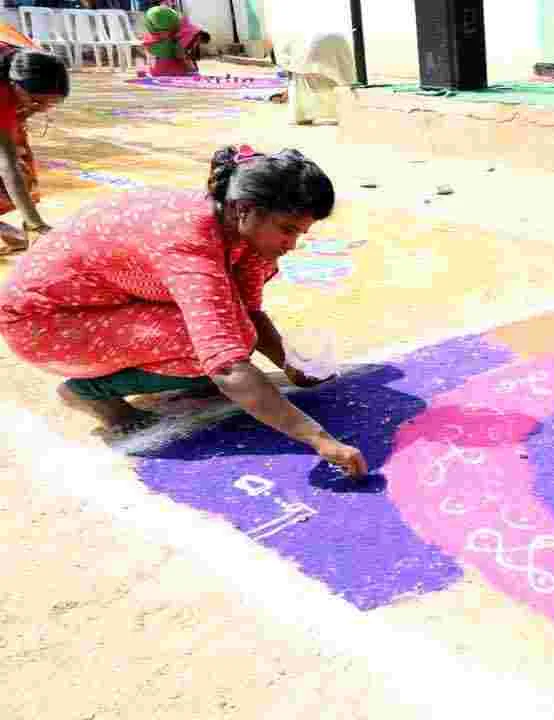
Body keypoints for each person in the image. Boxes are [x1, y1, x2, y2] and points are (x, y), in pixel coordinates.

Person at [0, 146, 369, 477]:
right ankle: (92, 391)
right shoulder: (188, 240)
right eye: (286, 230)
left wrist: (290, 363)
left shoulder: (242, 231)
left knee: (233, 329)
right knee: (221, 344)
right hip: (42, 322)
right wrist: (319, 439)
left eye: (300, 233)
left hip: (107, 304)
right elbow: (226, 362)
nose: (291, 244)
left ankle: (173, 374)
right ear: (245, 209)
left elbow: (250, 309)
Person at [0, 31, 68, 257]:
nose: (42, 109)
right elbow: (6, 165)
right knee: (11, 163)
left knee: (22, 159)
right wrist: (37, 226)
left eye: (51, 104)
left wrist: (27, 110)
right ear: (14, 85)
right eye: (37, 102)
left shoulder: (32, 62)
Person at [274, 32, 357, 125]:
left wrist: (288, 90)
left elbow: (290, 69)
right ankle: (348, 111)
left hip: (309, 46)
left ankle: (302, 116)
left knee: (301, 81)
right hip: (337, 41)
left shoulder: (285, 39)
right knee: (340, 79)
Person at [141, 4, 211, 77]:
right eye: (163, 30)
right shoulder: (151, 39)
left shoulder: (179, 33)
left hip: (171, 69)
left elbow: (184, 55)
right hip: (164, 70)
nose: (165, 33)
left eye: (167, 29)